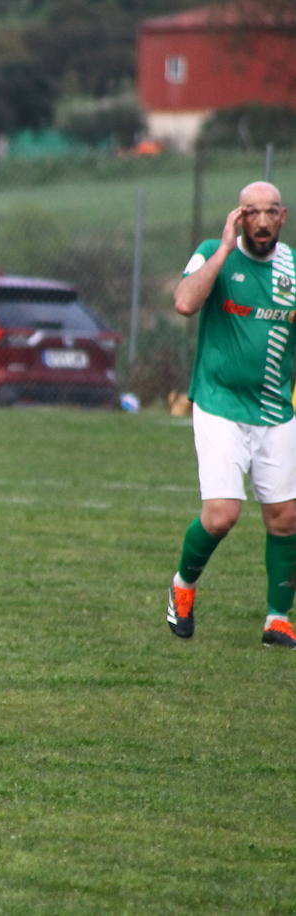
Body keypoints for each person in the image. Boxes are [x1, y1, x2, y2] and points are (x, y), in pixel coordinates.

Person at [167, 180, 296, 649]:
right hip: (219, 404)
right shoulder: (211, 253)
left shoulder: (293, 270)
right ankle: (183, 586)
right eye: (251, 212)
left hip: (276, 409)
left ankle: (278, 618)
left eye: (269, 213)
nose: (261, 222)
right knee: (221, 516)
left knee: (285, 518)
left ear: (282, 216)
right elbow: (184, 303)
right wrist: (222, 251)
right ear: (238, 217)